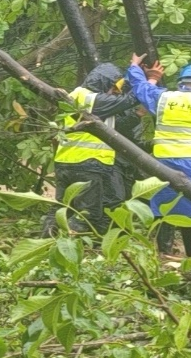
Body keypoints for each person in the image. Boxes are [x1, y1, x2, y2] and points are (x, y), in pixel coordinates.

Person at [126, 54, 191, 258]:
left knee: (163, 205)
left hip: (163, 163)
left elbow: (141, 88)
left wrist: (134, 66)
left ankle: (164, 255)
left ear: (181, 82)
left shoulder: (164, 98)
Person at [41, 63, 142, 237]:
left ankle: (45, 241)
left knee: (63, 207)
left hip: (66, 161)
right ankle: (66, 242)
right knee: (88, 215)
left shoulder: (77, 95)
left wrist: (137, 115)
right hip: (88, 163)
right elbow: (129, 100)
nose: (115, 93)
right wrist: (146, 79)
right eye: (113, 87)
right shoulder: (92, 99)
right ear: (104, 82)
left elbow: (114, 125)